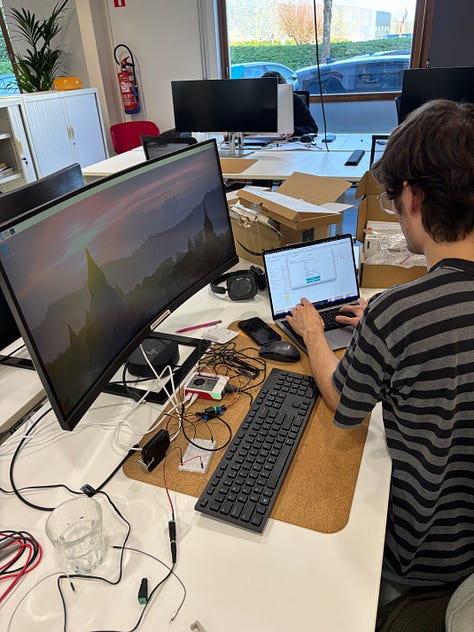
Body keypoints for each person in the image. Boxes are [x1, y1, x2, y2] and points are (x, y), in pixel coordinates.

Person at [286, 100, 474, 597]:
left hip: (421, 559)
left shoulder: (398, 313)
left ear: (413, 196)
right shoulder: (398, 312)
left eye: (390, 199)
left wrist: (312, 332)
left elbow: (341, 401)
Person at [261, 71, 318, 137]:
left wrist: (293, 130)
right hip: (260, 139)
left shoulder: (294, 99)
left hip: (287, 140)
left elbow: (312, 128)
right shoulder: (258, 102)